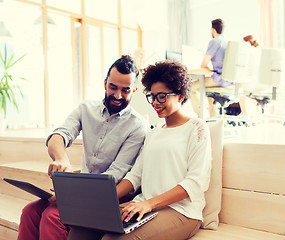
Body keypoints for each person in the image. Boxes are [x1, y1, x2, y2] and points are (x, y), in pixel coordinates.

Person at [67, 60, 212, 240]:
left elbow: (196, 182)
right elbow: (135, 176)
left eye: (162, 96)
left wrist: (149, 204)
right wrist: (101, 200)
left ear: (180, 96)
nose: (155, 103)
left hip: (182, 212)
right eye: (152, 96)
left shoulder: (196, 128)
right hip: (144, 204)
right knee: (82, 227)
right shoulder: (153, 133)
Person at [17, 55, 147, 240]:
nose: (118, 95)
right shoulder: (85, 109)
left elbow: (115, 174)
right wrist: (61, 158)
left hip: (113, 196)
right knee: (30, 211)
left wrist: (71, 194)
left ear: (134, 90)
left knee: (51, 217)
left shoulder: (137, 126)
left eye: (125, 90)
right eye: (113, 87)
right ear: (105, 83)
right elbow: (59, 135)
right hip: (82, 191)